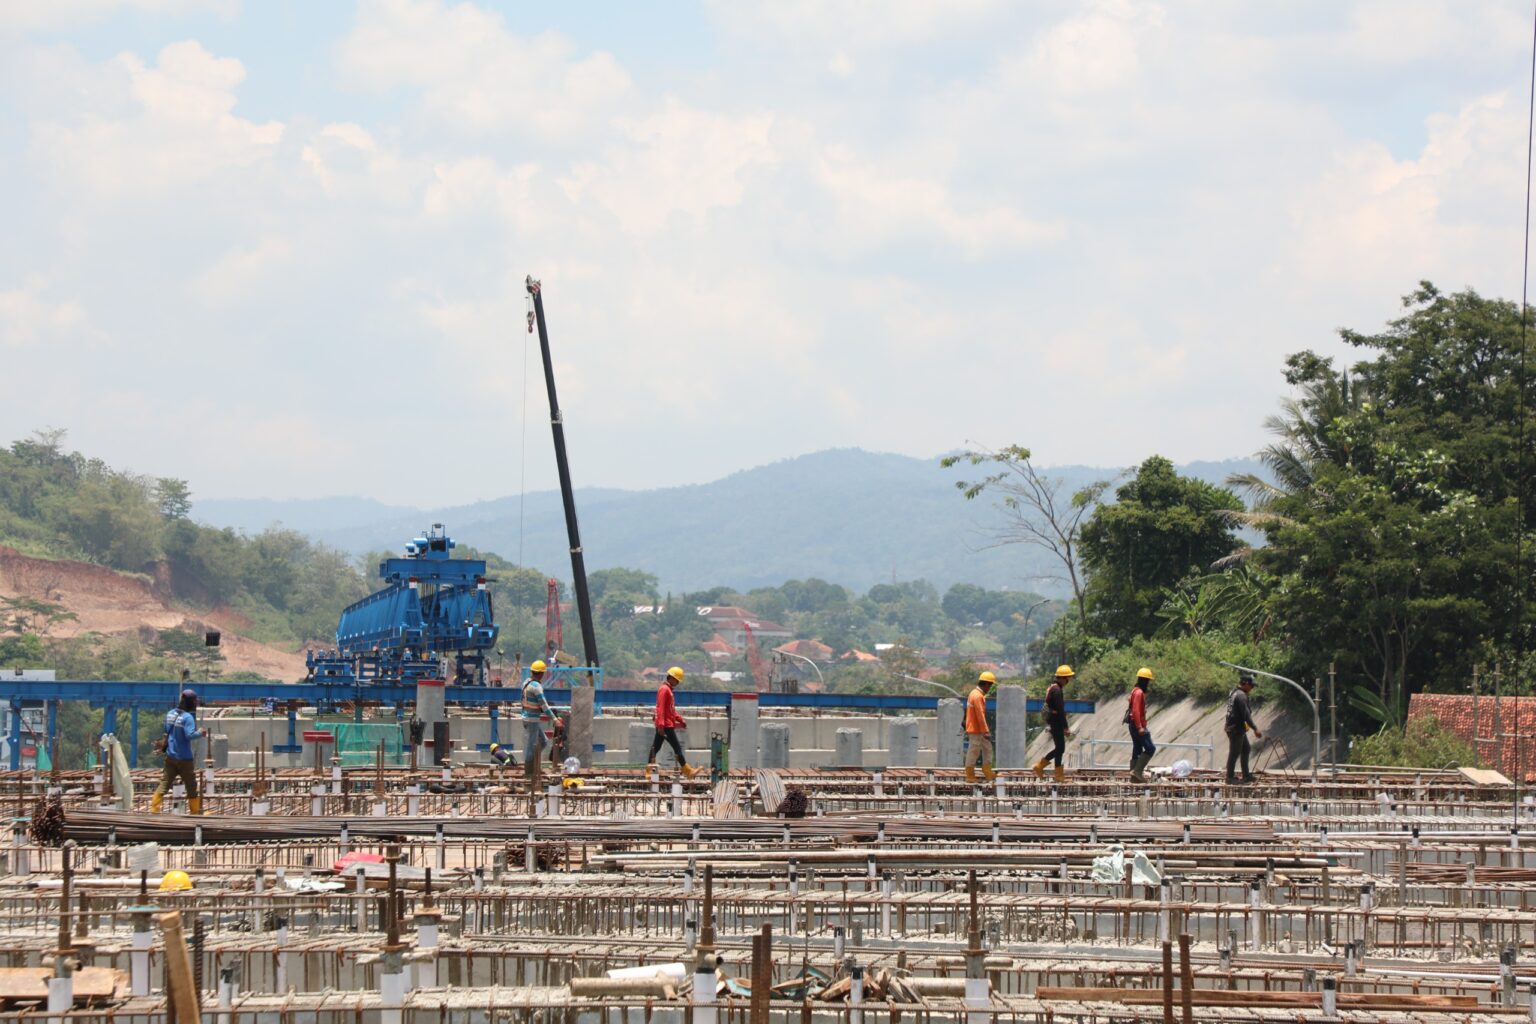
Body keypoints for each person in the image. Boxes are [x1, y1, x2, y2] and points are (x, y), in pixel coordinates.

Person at [151, 688, 206, 814]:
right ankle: (195, 812)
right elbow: (189, 735)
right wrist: (200, 733)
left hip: (171, 756)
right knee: (191, 786)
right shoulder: (188, 718)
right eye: (195, 702)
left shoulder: (170, 714)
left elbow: (167, 729)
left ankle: (154, 809)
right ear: (192, 702)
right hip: (184, 759)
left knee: (164, 783)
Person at [647, 667, 701, 779]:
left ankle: (648, 772)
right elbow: (660, 709)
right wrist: (661, 725)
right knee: (676, 748)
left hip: (666, 724)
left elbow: (670, 710)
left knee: (655, 748)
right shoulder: (664, 690)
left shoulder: (669, 690)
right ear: (671, 678)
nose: (677, 683)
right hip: (666, 726)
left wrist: (680, 719)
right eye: (676, 680)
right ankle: (688, 771)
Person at [1032, 665, 1074, 782]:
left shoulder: (1053, 688)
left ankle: (1055, 774)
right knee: (1060, 748)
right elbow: (1060, 711)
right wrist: (1065, 727)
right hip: (1056, 723)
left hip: (1054, 722)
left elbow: (1058, 710)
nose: (1068, 681)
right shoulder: (1057, 690)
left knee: (1059, 749)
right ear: (1061, 678)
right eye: (1067, 678)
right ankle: (1042, 767)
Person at [520, 660, 557, 785]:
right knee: (531, 746)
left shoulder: (526, 683)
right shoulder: (537, 687)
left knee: (544, 742)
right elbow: (544, 706)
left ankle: (535, 766)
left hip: (528, 718)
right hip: (532, 720)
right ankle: (529, 774)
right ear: (541, 674)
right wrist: (555, 720)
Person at [1224, 674, 1263, 784]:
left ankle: (1246, 775)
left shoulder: (1234, 692)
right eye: (1251, 686)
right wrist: (1255, 729)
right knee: (1234, 752)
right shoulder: (1241, 696)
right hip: (1235, 728)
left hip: (1235, 727)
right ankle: (1229, 777)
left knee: (1246, 749)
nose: (1252, 688)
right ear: (1245, 683)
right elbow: (1246, 715)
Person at [964, 671, 998, 783]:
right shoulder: (978, 696)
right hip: (976, 730)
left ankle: (987, 771)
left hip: (978, 729)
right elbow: (980, 715)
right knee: (974, 752)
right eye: (990, 685)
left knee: (988, 748)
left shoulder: (973, 693)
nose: (990, 688)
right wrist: (986, 731)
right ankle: (970, 775)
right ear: (986, 684)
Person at [1127, 667, 1156, 782]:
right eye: (1148, 681)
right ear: (1144, 680)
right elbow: (1136, 711)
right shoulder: (1139, 693)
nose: (1148, 683)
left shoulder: (1135, 690)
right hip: (1137, 725)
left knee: (1137, 748)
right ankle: (1137, 771)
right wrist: (1140, 727)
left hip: (1133, 724)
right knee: (1150, 748)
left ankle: (1134, 777)